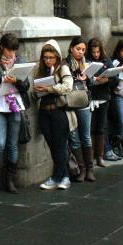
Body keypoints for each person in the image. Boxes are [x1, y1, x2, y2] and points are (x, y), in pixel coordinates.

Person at [0, 32, 30, 195]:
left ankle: (10, 181)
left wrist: (16, 81)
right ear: (2, 47)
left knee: (13, 145)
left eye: (14, 50)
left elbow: (25, 87)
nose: (12, 54)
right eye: (9, 50)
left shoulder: (20, 63)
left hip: (16, 107)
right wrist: (2, 83)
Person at [34, 39, 77, 191]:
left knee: (60, 145)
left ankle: (57, 177)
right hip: (44, 111)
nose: (47, 60)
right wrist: (37, 90)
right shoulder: (40, 70)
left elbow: (68, 87)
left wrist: (49, 89)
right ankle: (64, 176)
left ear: (57, 57)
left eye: (50, 58)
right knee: (53, 145)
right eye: (45, 57)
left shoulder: (62, 68)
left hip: (60, 112)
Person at [66, 36, 95, 182]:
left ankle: (90, 169)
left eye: (83, 50)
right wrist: (77, 72)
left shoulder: (86, 64)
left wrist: (87, 77)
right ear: (71, 48)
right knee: (74, 137)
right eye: (78, 49)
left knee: (86, 135)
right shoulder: (66, 64)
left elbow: (93, 84)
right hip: (70, 103)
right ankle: (81, 169)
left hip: (84, 102)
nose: (81, 52)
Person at [86, 38, 117, 168]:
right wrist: (94, 79)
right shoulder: (86, 61)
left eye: (98, 52)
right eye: (93, 52)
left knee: (101, 127)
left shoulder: (106, 61)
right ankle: (91, 156)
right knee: (90, 128)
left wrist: (107, 81)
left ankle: (100, 156)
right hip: (91, 97)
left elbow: (115, 80)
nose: (96, 55)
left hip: (104, 97)